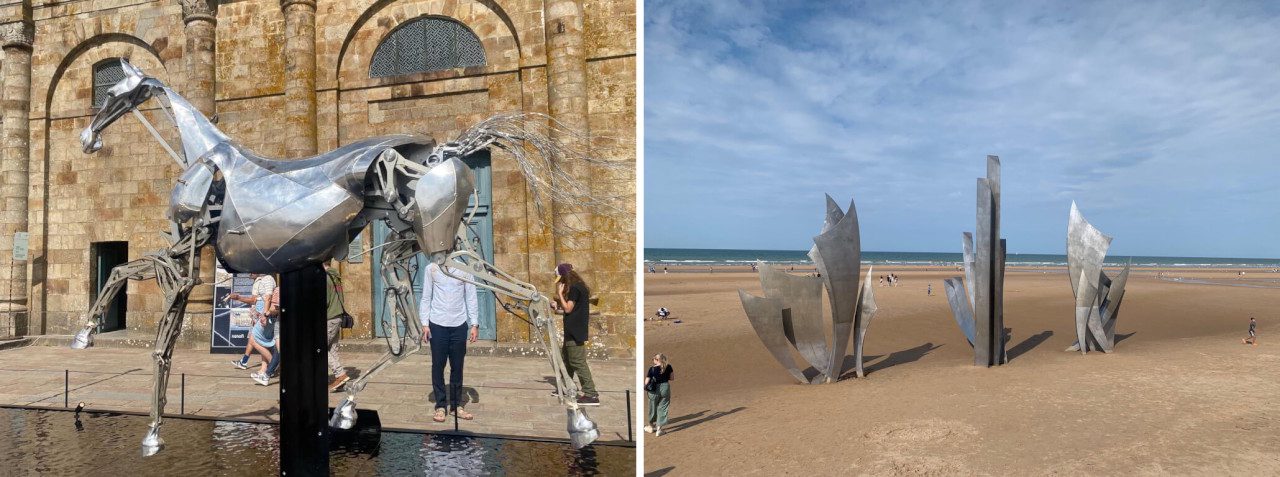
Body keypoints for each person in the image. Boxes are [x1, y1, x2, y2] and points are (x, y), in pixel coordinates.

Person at [419, 261, 479, 422]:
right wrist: (424, 323)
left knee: (457, 366)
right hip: (437, 324)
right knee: (438, 365)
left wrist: (474, 324)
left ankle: (456, 405)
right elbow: (426, 296)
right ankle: (440, 406)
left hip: (459, 324)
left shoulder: (464, 268)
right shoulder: (431, 268)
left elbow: (471, 295)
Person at [550, 263, 599, 405]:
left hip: (575, 331)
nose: (561, 283)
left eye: (561, 280)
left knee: (578, 362)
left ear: (566, 276)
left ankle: (591, 393)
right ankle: (566, 386)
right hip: (572, 330)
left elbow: (569, 309)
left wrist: (560, 294)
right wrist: (556, 307)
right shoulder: (579, 287)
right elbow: (569, 309)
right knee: (566, 360)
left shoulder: (575, 288)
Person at [230, 273, 276, 370]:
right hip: (259, 313)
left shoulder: (267, 278)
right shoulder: (260, 280)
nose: (249, 272)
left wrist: (264, 315)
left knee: (254, 340)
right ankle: (263, 368)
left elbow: (268, 298)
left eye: (252, 270)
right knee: (258, 340)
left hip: (264, 314)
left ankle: (273, 366)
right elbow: (256, 300)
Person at [324, 261, 350, 392]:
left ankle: (340, 374)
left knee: (319, 349)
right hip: (337, 317)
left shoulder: (325, 277)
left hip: (329, 317)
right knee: (332, 349)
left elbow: (324, 301)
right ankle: (341, 382)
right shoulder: (335, 276)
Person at [644, 353, 673, 436]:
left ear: (657, 360)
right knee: (663, 408)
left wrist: (646, 387)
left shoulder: (652, 369)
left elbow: (646, 382)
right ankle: (659, 429)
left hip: (654, 389)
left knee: (652, 407)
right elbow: (672, 378)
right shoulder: (668, 366)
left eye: (653, 359)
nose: (653, 361)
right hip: (665, 387)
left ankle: (651, 426)